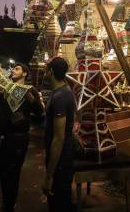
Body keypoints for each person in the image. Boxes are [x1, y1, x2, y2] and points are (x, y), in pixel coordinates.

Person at [0, 63, 44, 211]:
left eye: (17, 69)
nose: (13, 70)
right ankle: (6, 202)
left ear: (25, 73)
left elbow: (39, 112)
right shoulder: (4, 89)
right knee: (1, 171)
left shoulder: (29, 89)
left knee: (13, 173)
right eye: (13, 68)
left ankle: (9, 205)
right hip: (1, 138)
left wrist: (31, 98)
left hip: (18, 139)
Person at [40, 57, 75, 211]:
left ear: (51, 71)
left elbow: (59, 138)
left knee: (58, 200)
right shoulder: (62, 92)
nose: (43, 70)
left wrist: (48, 176)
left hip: (61, 159)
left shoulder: (61, 96)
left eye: (46, 68)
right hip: (61, 157)